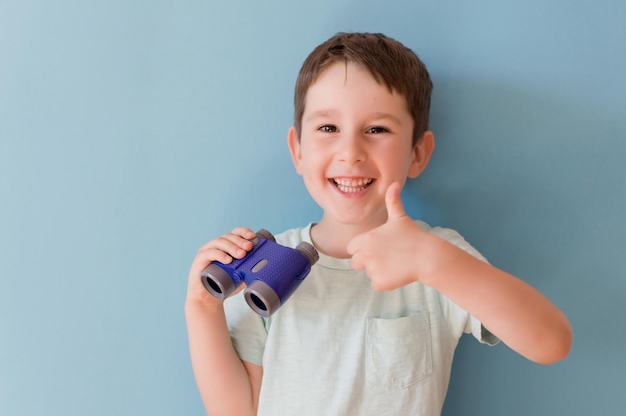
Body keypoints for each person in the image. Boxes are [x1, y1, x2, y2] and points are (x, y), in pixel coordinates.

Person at [185, 32, 572, 416]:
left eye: (377, 130)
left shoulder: (436, 256)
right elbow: (237, 410)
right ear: (298, 150)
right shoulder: (269, 266)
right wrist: (202, 309)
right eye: (328, 128)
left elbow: (551, 342)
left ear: (418, 154)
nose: (351, 152)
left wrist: (432, 261)